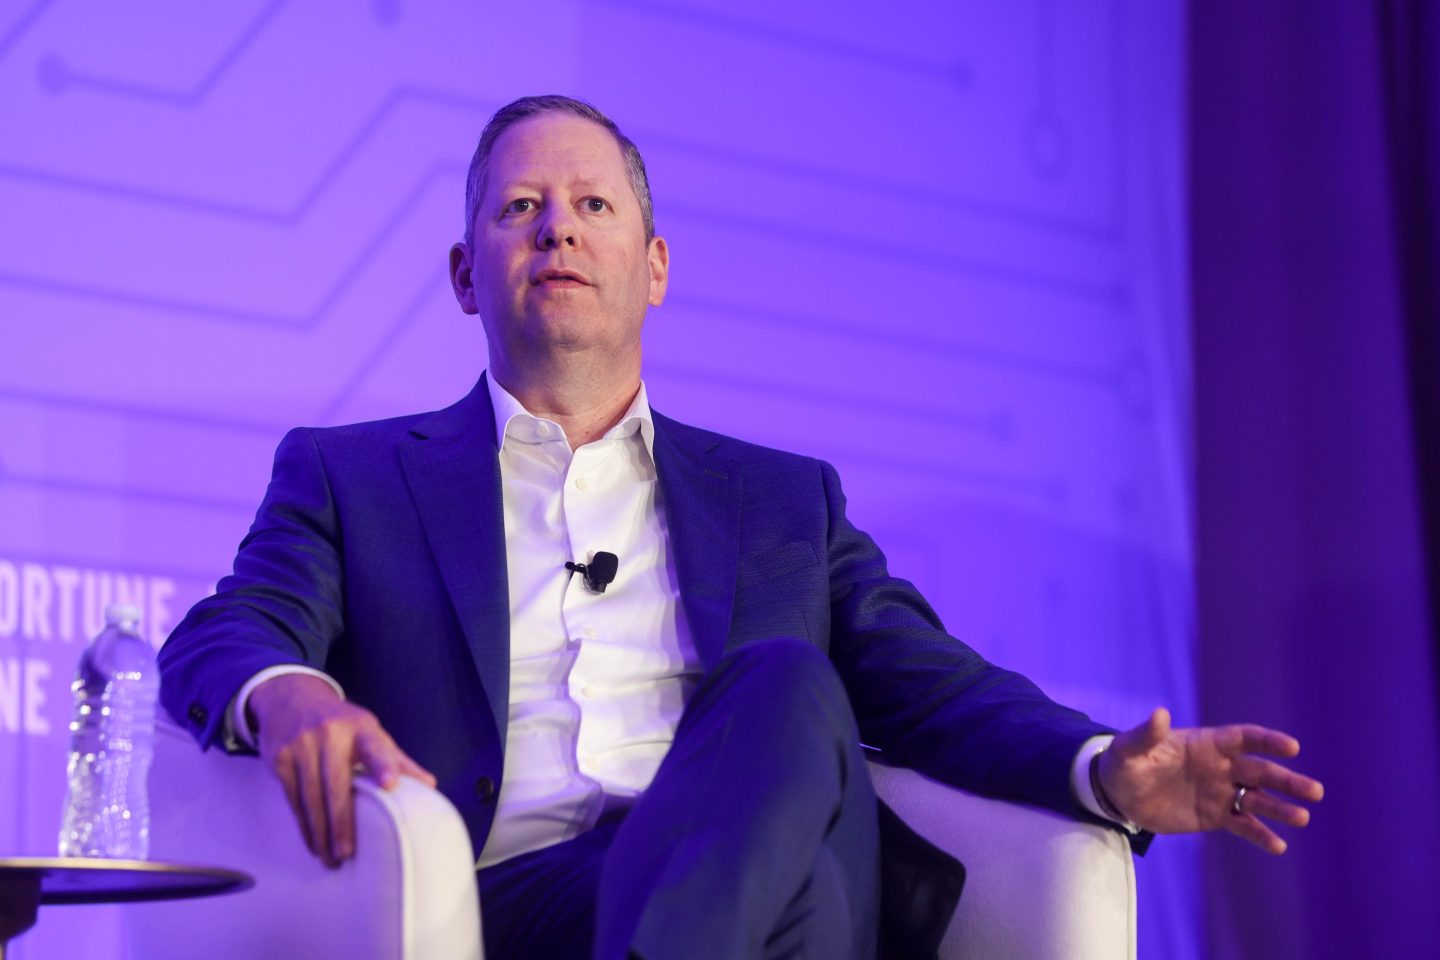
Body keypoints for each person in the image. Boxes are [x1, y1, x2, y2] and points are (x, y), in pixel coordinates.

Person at [158, 95, 1323, 959]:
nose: (558, 230)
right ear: (468, 274)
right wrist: (287, 691)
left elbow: (935, 688)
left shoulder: (780, 499)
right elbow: (228, 631)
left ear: (654, 267)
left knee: (784, 685)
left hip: (758, 870)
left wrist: (1101, 771)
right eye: (520, 209)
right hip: (519, 902)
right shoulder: (354, 478)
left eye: (593, 205)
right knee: (796, 840)